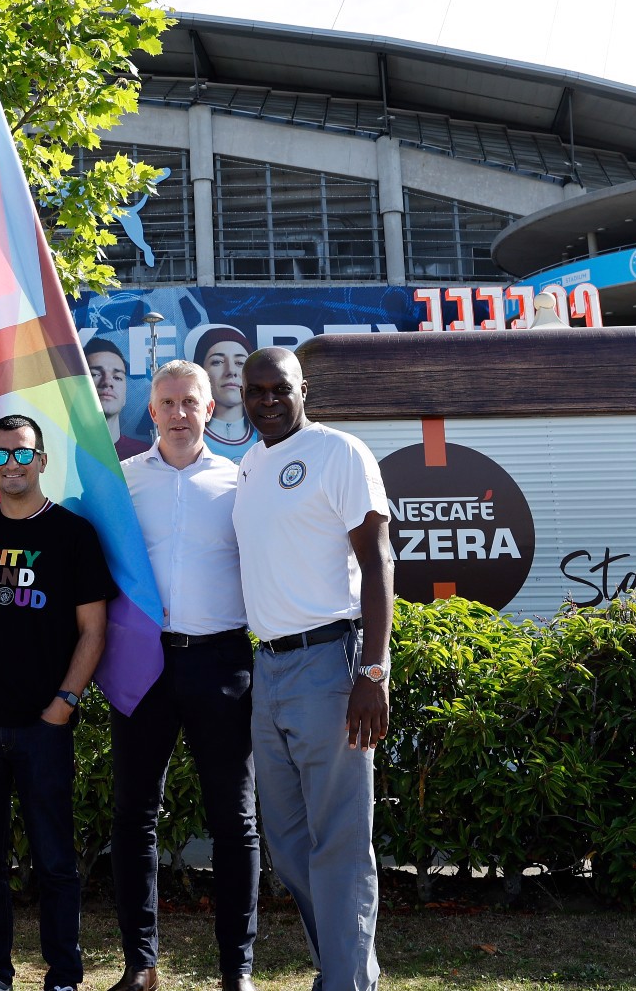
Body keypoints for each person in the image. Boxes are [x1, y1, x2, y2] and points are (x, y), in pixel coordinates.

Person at [231, 347, 393, 991]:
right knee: (291, 846)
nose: (267, 400)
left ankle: (345, 982)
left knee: (342, 841)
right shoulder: (248, 465)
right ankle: (348, 969)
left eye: (280, 389)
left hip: (332, 661)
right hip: (267, 669)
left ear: (305, 390)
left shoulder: (340, 453)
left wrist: (373, 672)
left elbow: (379, 560)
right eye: (255, 391)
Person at [0, 414, 112, 991]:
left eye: (22, 454)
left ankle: (63, 973)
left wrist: (64, 701)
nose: (11, 464)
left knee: (55, 859)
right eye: (0, 455)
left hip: (45, 724)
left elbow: (94, 629)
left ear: (42, 461)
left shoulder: (73, 535)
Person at [111, 361, 259, 991]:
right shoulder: (119, 485)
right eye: (166, 403)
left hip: (222, 662)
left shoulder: (240, 481)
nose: (177, 413)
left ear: (210, 408)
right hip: (143, 662)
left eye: (188, 403)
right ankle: (141, 966)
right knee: (133, 818)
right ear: (152, 411)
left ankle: (237, 971)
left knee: (234, 821)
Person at [194, 327, 258, 460]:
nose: (231, 371)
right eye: (217, 362)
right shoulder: (189, 442)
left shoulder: (268, 438)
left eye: (240, 363)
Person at [86, 338, 149, 458]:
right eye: (95, 374)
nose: (107, 382)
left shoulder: (145, 457)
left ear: (125, 395)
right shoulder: (60, 455)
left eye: (117, 377)